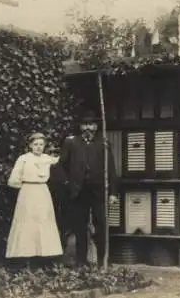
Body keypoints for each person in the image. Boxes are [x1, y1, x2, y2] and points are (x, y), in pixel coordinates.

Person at [59, 111, 118, 267]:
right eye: (85, 124)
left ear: (96, 126)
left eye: (91, 124)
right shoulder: (71, 143)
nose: (88, 128)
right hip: (78, 192)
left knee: (101, 226)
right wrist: (67, 184)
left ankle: (102, 262)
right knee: (79, 227)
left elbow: (111, 169)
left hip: (98, 191)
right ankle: (81, 263)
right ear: (80, 126)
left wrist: (113, 193)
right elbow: (61, 166)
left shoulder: (103, 143)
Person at [6, 132, 63, 270]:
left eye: (41, 145)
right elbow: (13, 180)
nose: (38, 147)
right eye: (36, 144)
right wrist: (25, 187)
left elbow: (62, 160)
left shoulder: (47, 158)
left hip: (43, 192)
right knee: (27, 223)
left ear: (45, 146)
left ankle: (43, 260)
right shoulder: (23, 159)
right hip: (28, 192)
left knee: (43, 222)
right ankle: (24, 260)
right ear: (30, 145)